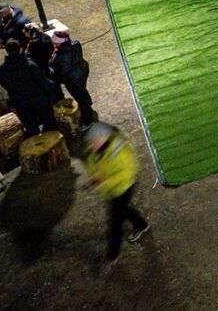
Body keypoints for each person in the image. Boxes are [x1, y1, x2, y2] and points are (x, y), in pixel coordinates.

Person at [83, 122, 150, 263]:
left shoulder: (122, 153)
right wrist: (93, 176)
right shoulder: (98, 149)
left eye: (93, 142)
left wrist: (103, 182)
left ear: (103, 138)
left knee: (115, 221)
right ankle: (141, 225)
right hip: (112, 190)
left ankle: (113, 252)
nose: (91, 146)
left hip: (123, 189)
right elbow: (92, 163)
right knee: (124, 210)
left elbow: (126, 175)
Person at [0, 39, 58, 136]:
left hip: (20, 101)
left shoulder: (1, 70)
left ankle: (37, 145)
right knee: (49, 122)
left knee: (31, 126)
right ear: (21, 49)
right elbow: (42, 81)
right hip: (38, 99)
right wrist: (52, 92)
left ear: (7, 51)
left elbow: (5, 85)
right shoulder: (29, 65)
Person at [50, 30, 96, 129]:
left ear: (58, 43)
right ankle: (88, 104)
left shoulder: (61, 56)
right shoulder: (75, 43)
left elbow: (63, 73)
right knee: (83, 92)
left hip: (73, 80)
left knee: (81, 98)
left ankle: (88, 121)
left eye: (55, 43)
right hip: (82, 71)